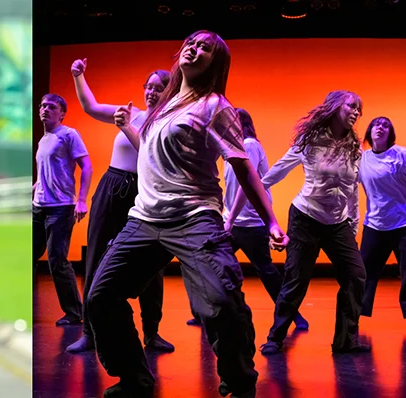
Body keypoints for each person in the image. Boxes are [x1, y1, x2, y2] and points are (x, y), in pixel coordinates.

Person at [87, 30, 288, 396]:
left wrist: (271, 220)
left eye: (205, 48)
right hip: (144, 219)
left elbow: (244, 168)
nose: (194, 49)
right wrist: (128, 126)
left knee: (222, 304)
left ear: (216, 63)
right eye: (190, 44)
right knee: (100, 298)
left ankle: (240, 380)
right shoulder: (162, 106)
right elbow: (148, 150)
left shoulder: (215, 107)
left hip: (195, 217)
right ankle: (134, 379)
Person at [66, 59, 174, 354]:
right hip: (113, 186)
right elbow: (90, 106)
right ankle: (90, 332)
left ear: (169, 92)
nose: (151, 92)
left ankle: (152, 333)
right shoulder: (133, 113)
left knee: (151, 263)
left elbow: (150, 155)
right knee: (96, 255)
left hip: (145, 191)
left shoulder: (167, 123)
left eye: (158, 88)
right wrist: (79, 75)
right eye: (148, 87)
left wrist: (126, 128)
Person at [261, 90, 371, 354]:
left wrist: (353, 225)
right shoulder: (310, 140)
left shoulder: (355, 147)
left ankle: (346, 340)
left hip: (337, 223)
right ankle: (275, 337)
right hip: (305, 217)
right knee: (296, 280)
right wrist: (259, 199)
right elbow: (276, 172)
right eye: (352, 107)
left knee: (356, 276)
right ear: (334, 107)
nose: (356, 113)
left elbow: (353, 189)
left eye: (359, 109)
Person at [355, 116, 406, 332]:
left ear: (390, 134)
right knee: (364, 271)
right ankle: (354, 315)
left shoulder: (401, 155)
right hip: (375, 224)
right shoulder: (361, 159)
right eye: (376, 124)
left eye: (385, 125)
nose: (380, 128)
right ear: (369, 132)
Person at [220, 109, 295, 335]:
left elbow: (247, 184)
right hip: (233, 220)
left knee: (266, 271)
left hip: (249, 222)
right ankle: (209, 312)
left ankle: (291, 313)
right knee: (215, 265)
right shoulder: (229, 149)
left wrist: (230, 219)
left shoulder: (249, 144)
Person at [35, 93, 93, 328]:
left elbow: (87, 166)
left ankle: (73, 312)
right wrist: (36, 185)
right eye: (42, 105)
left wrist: (81, 200)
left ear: (62, 113)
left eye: (51, 106)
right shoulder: (43, 139)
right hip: (39, 207)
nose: (45, 109)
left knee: (57, 260)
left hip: (60, 207)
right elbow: (47, 172)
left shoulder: (69, 134)